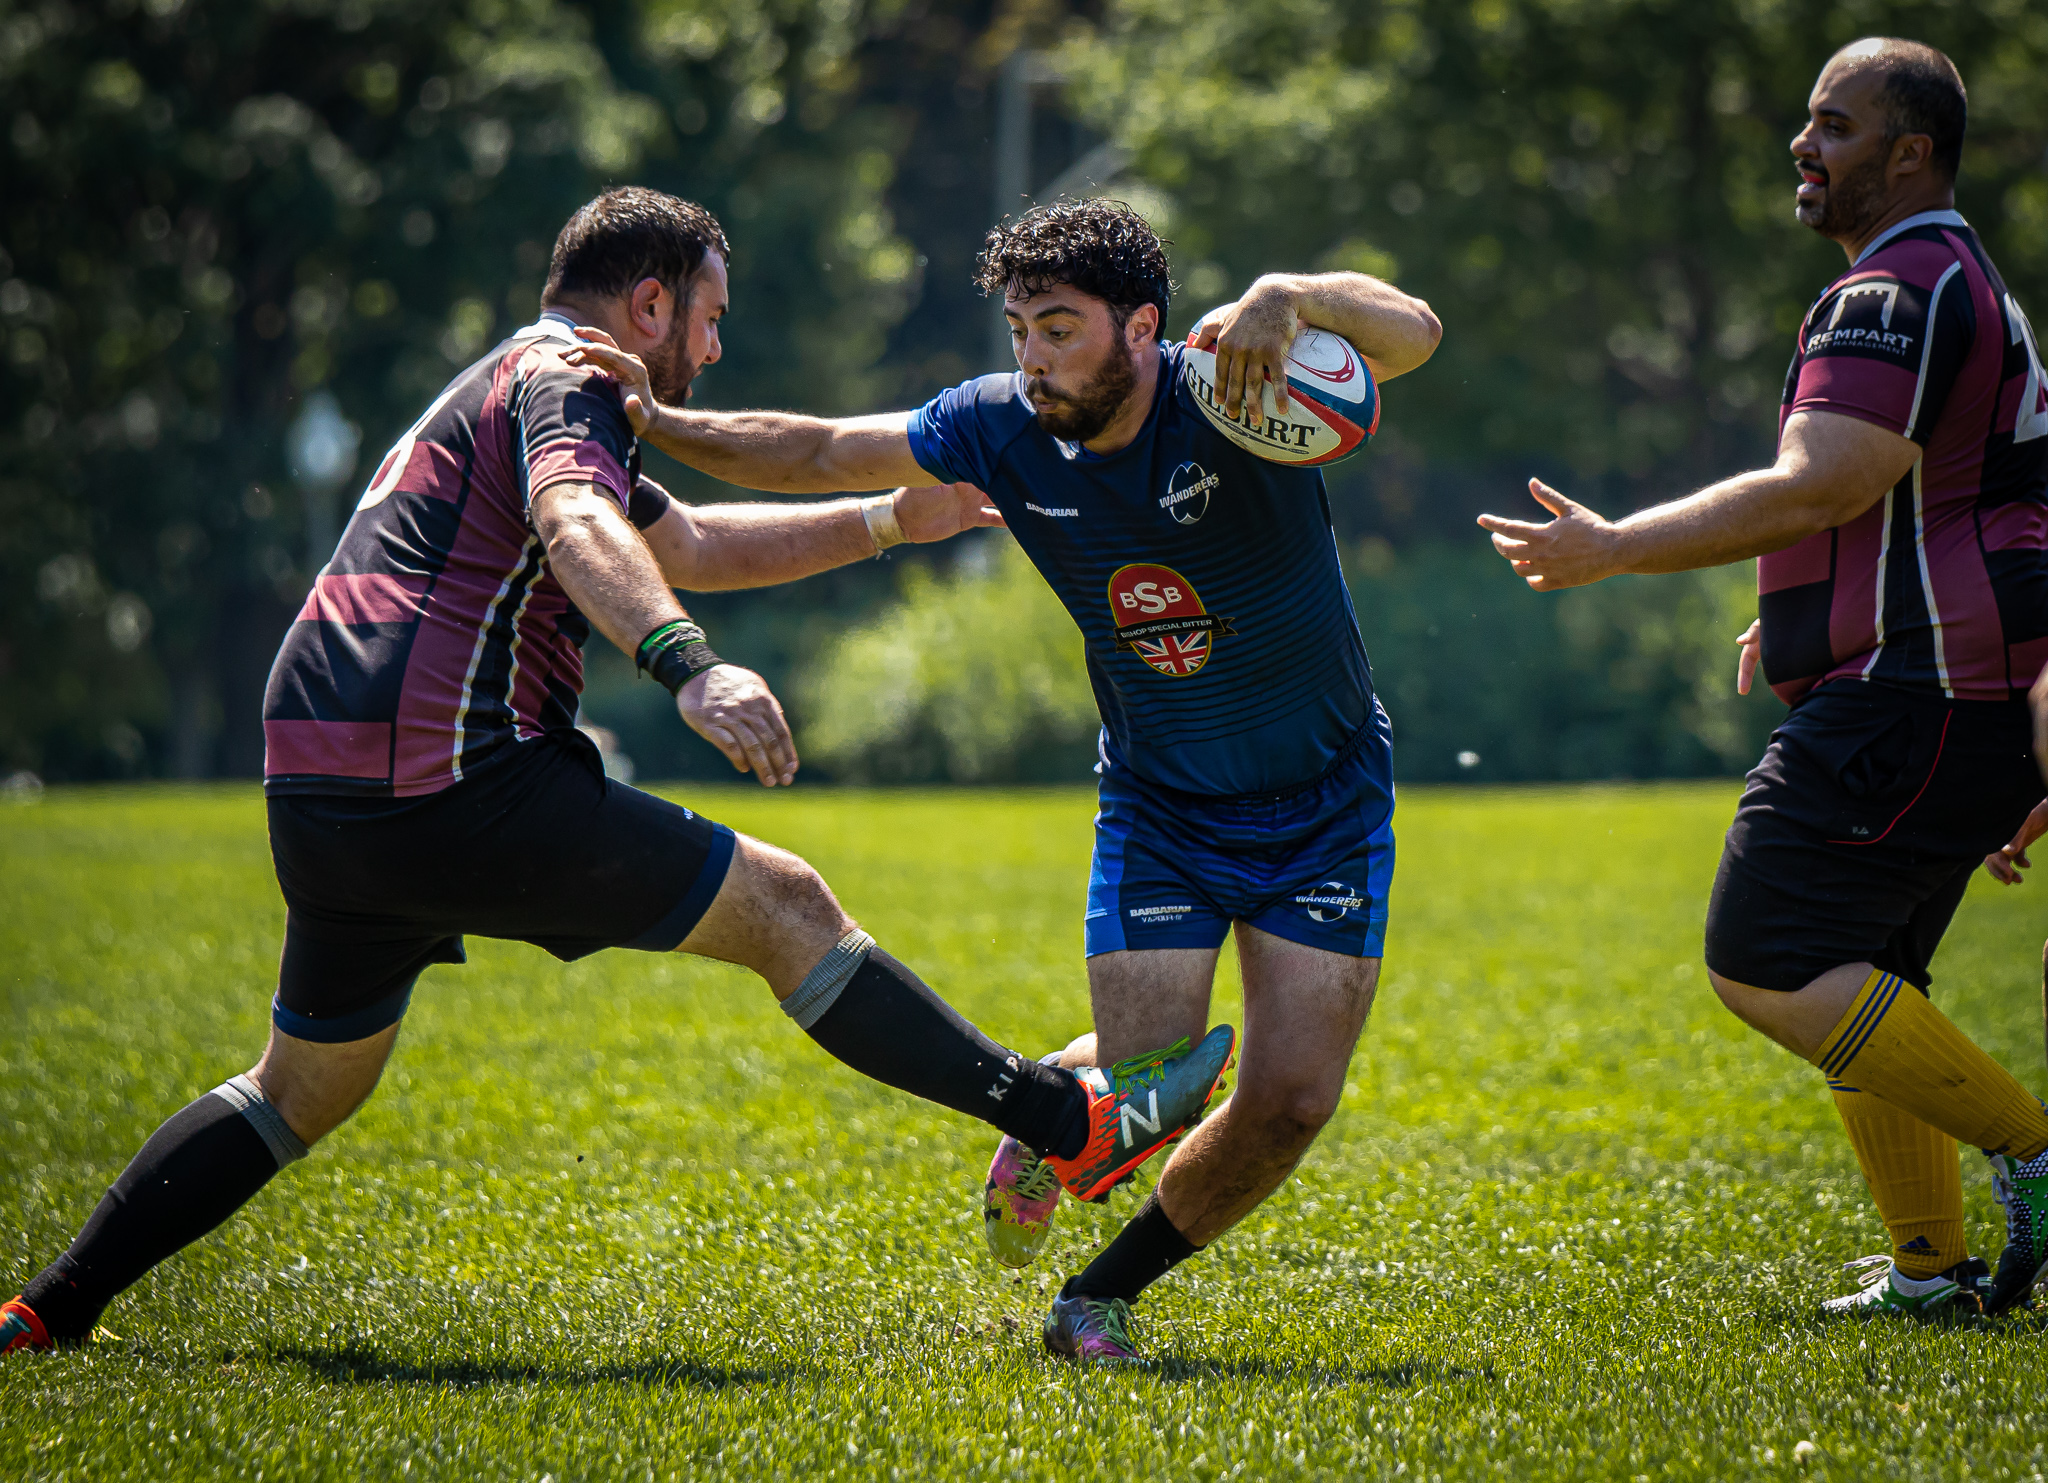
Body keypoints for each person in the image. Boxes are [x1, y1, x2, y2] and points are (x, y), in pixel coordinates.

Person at [0, 188, 1234, 1358]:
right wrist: (685, 666)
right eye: (706, 316)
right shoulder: (566, 380)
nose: (709, 344)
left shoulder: (510, 379)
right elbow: (580, 525)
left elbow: (679, 541)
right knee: (786, 907)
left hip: (324, 788)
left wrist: (886, 520)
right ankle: (1066, 1124)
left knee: (300, 1087)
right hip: (451, 775)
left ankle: (46, 1312)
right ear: (646, 304)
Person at [566, 196, 1442, 1362]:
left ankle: (1100, 1291)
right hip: (1163, 804)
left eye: (1059, 329)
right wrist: (659, 419)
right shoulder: (997, 426)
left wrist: (1296, 293)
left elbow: (1414, 331)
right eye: (1019, 329)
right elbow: (824, 447)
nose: (1030, 359)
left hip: (1327, 798)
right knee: (1142, 1091)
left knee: (1289, 1103)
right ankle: (1053, 1116)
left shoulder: (1238, 384)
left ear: (1142, 327)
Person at [1479, 40, 2048, 1317]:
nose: (1802, 145)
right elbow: (1928, 496)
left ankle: (2032, 1153)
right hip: (1954, 674)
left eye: (1833, 127)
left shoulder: (1890, 287)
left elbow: (1826, 480)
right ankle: (1930, 1269)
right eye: (1805, 120)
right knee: (1861, 969)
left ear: (1909, 154)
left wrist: (1614, 546)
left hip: (1927, 684)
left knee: (1766, 951)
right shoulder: (1963, 281)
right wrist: (1804, 616)